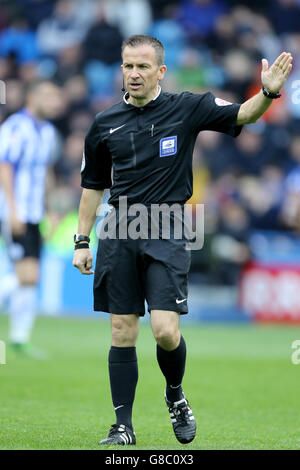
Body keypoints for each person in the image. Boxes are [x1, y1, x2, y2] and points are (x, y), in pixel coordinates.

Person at [73, 34, 293, 445]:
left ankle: (175, 395)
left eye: (142, 66)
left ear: (161, 71)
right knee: (122, 330)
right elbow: (92, 187)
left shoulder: (188, 108)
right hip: (119, 230)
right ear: (120, 68)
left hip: (169, 227)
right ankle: (122, 426)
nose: (133, 73)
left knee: (164, 332)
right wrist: (81, 240)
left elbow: (244, 114)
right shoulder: (103, 123)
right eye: (127, 66)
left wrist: (267, 92)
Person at [0, 79, 62, 358]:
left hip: (35, 213)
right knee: (26, 275)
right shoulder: (15, 127)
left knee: (30, 277)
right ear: (32, 97)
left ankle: (19, 338)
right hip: (15, 210)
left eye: (55, 97)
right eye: (47, 96)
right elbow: (5, 168)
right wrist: (12, 210)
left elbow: (46, 172)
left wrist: (49, 209)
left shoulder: (48, 132)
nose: (53, 102)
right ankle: (18, 337)